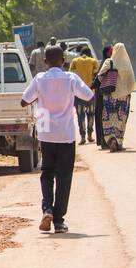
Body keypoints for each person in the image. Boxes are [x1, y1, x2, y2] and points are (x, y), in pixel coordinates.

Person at [21, 45, 93, 234]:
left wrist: (42, 96)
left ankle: (47, 209)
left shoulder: (39, 78)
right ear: (64, 61)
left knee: (47, 173)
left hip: (46, 131)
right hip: (65, 133)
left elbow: (24, 101)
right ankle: (59, 221)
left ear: (45, 62)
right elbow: (89, 97)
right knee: (64, 177)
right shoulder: (70, 78)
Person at [97, 42, 136, 151]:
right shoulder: (127, 64)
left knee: (109, 118)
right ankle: (118, 142)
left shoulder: (109, 62)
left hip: (110, 95)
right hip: (123, 96)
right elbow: (131, 81)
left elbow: (100, 76)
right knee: (121, 119)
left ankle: (111, 140)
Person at [67, 45, 98, 144]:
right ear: (89, 53)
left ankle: (83, 137)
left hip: (79, 93)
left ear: (80, 53)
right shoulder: (93, 61)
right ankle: (90, 135)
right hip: (90, 93)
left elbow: (70, 74)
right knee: (91, 114)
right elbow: (96, 75)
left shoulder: (75, 61)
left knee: (81, 115)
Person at [93, 44, 112, 149]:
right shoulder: (106, 63)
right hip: (101, 95)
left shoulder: (110, 62)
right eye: (111, 51)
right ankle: (103, 140)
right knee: (101, 117)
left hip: (105, 94)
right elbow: (98, 79)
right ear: (107, 52)